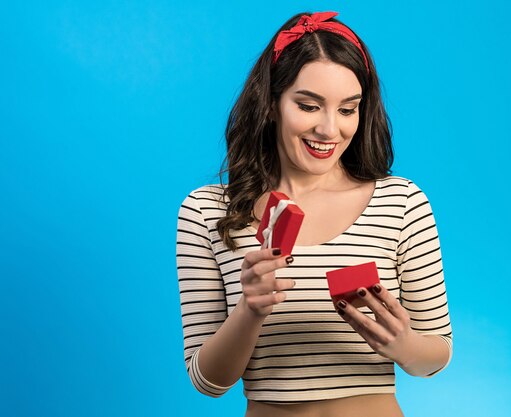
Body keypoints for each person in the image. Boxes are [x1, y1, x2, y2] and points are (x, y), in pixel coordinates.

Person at [176, 11, 453, 417]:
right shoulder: (206, 211)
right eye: (308, 106)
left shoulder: (403, 202)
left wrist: (403, 344)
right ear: (272, 104)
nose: (329, 129)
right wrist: (249, 310)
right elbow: (208, 382)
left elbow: (436, 357)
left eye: (348, 109)